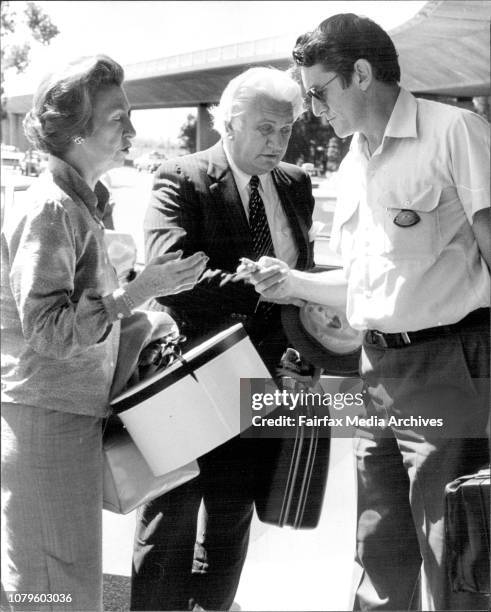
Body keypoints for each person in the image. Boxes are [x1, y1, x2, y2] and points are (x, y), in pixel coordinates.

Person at [245, 13, 490, 612]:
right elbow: (362, 285)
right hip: (375, 372)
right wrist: (292, 283)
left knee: (454, 554)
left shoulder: (456, 130)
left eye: (317, 92)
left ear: (360, 74)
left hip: (449, 365)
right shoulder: (354, 159)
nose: (310, 108)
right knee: (379, 556)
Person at [0, 55, 207, 612]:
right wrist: (137, 294)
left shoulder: (76, 203)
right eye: (119, 118)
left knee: (69, 584)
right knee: (52, 588)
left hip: (64, 416)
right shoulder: (51, 208)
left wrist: (144, 301)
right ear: (76, 130)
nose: (133, 131)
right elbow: (47, 331)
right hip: (45, 418)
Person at [130, 66, 315, 611]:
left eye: (286, 130)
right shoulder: (182, 176)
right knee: (171, 521)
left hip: (261, 378)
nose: (277, 142)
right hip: (187, 372)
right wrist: (263, 285)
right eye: (264, 129)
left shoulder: (295, 183)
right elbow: (170, 273)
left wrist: (304, 346)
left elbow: (303, 274)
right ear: (227, 123)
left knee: (232, 517)